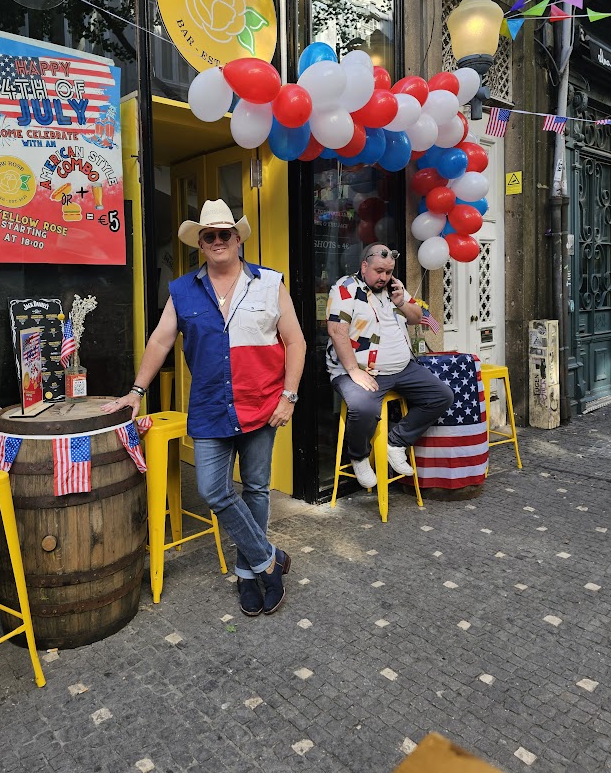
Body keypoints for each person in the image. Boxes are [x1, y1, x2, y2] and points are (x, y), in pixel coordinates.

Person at [104, 199, 306, 617]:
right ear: (200, 243)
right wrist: (136, 392)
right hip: (212, 407)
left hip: (262, 404)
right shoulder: (182, 290)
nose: (217, 241)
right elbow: (161, 340)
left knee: (255, 488)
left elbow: (296, 342)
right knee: (214, 490)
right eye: (208, 236)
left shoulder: (270, 283)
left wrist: (289, 396)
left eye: (224, 234)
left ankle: (248, 572)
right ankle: (269, 560)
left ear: (238, 239)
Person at [326, 244, 454, 488]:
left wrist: (401, 301)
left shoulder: (394, 288)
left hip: (403, 368)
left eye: (388, 272)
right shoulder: (346, 288)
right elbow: (336, 331)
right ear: (364, 266)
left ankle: (395, 443)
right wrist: (353, 371)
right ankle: (359, 457)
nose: (383, 277)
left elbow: (417, 317)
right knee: (362, 408)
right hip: (360, 369)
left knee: (442, 396)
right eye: (378, 271)